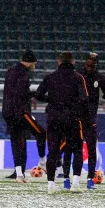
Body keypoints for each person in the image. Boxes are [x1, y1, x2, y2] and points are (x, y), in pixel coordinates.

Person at [35, 51, 89, 193]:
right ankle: (75, 183)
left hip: (54, 118)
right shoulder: (78, 78)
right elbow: (84, 99)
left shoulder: (50, 77)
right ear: (73, 62)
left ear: (59, 62)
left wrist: (52, 100)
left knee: (53, 152)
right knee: (77, 149)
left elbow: (38, 94)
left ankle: (51, 184)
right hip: (72, 118)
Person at [60, 52, 105, 190]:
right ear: (85, 63)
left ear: (95, 64)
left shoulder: (99, 78)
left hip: (89, 118)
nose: (90, 66)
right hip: (75, 117)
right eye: (89, 63)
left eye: (92, 64)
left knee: (91, 149)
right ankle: (66, 177)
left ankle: (90, 178)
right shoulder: (77, 75)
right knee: (70, 147)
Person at [2, 49, 47, 183]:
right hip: (20, 112)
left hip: (8, 112)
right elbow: (20, 93)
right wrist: (33, 93)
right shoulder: (23, 73)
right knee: (41, 132)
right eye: (34, 63)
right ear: (29, 62)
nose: (35, 66)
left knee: (17, 142)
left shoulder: (11, 71)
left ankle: (19, 173)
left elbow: (10, 91)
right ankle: (43, 162)